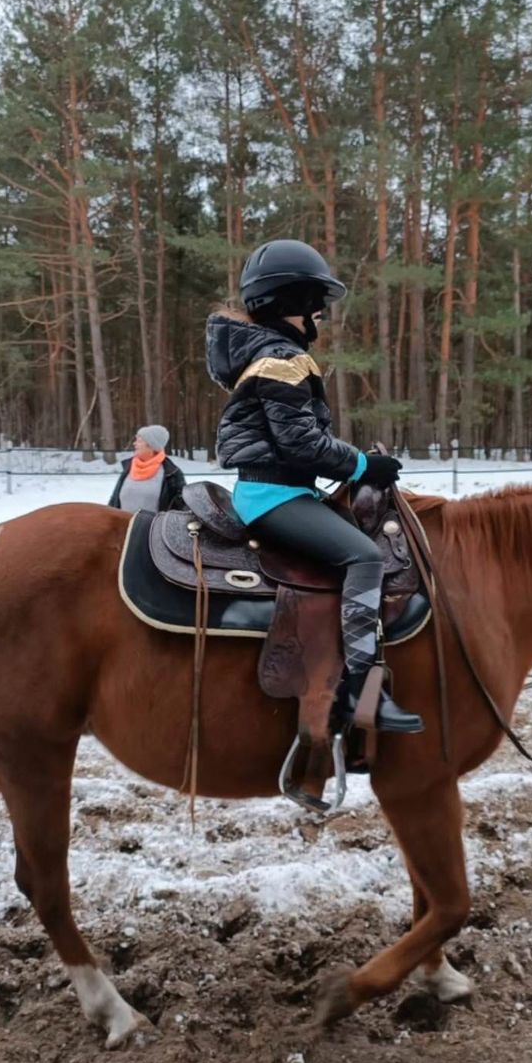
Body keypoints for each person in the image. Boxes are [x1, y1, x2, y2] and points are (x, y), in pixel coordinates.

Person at [205, 239, 424, 735]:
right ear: (293, 305)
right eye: (316, 306)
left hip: (280, 489)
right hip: (274, 495)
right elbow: (302, 443)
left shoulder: (266, 354)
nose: (321, 317)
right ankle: (359, 691)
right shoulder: (282, 359)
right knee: (364, 557)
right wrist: (366, 464)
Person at [109, 425, 186, 514]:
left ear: (151, 445)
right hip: (122, 526)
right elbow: (114, 501)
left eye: (139, 441)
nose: (134, 443)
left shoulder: (171, 473)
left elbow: (179, 509)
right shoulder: (129, 467)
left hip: (154, 527)